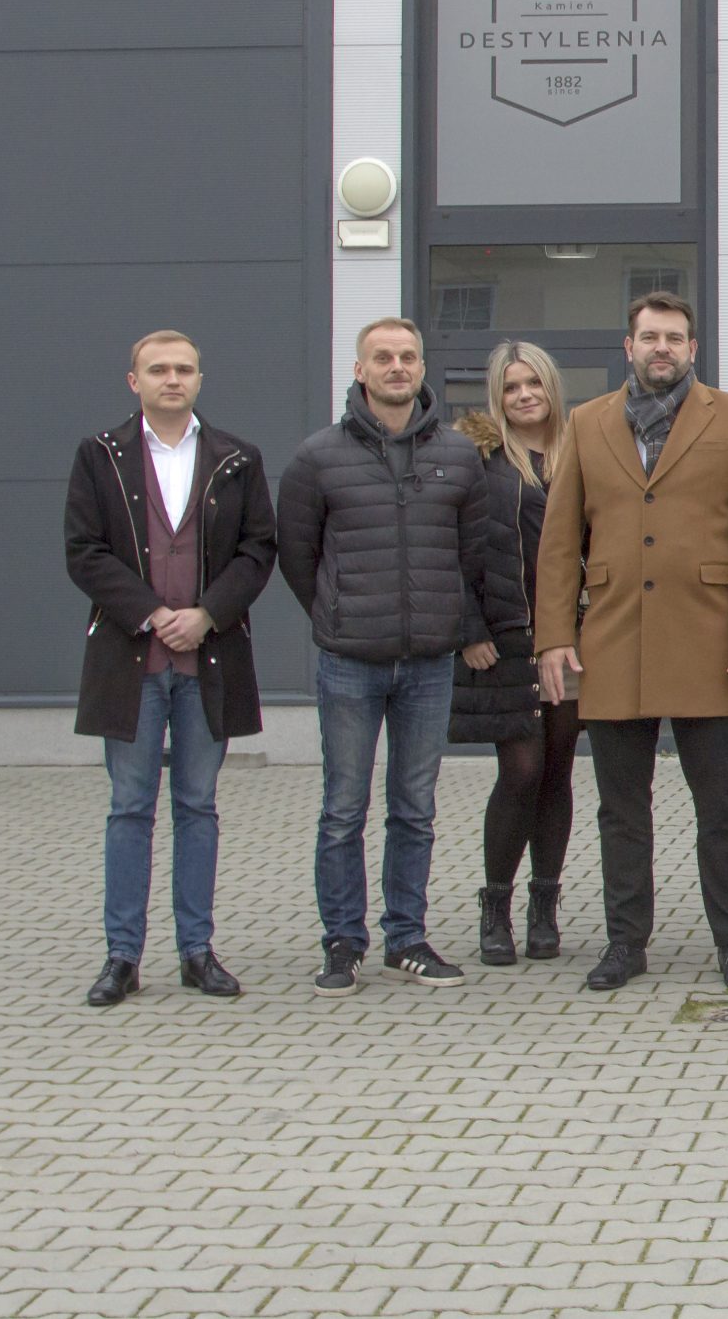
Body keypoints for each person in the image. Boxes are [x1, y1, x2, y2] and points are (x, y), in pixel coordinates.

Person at [537, 292, 728, 993]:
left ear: (692, 348)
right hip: (613, 638)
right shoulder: (586, 423)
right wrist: (552, 636)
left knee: (721, 806)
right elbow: (559, 542)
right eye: (649, 337)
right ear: (629, 346)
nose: (661, 349)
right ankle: (625, 943)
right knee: (621, 809)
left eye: (674, 338)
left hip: (709, 639)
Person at [279, 317, 511, 995]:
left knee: (414, 808)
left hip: (429, 664)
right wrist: (337, 613)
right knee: (343, 809)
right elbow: (298, 555)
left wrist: (447, 622)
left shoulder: (458, 456)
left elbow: (471, 555)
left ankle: (406, 937)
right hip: (350, 660)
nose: (397, 366)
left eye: (408, 356)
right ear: (360, 370)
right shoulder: (317, 457)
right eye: (382, 357)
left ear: (422, 367)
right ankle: (342, 941)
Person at [66, 330, 277, 1006]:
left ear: (200, 379)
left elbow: (258, 549)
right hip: (129, 659)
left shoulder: (237, 458)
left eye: (184, 368)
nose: (172, 378)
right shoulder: (101, 454)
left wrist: (207, 613)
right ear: (135, 381)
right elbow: (84, 550)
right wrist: (153, 612)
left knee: (198, 805)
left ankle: (197, 952)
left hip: (208, 660)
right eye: (158, 369)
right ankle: (122, 957)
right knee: (130, 807)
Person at [451, 341, 578, 968]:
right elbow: (451, 550)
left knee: (558, 771)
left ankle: (543, 907)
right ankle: (495, 905)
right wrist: (469, 628)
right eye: (511, 387)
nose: (525, 395)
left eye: (534, 383)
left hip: (574, 639)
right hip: (505, 639)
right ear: (497, 397)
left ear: (552, 387)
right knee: (521, 771)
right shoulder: (479, 459)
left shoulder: (582, 450)